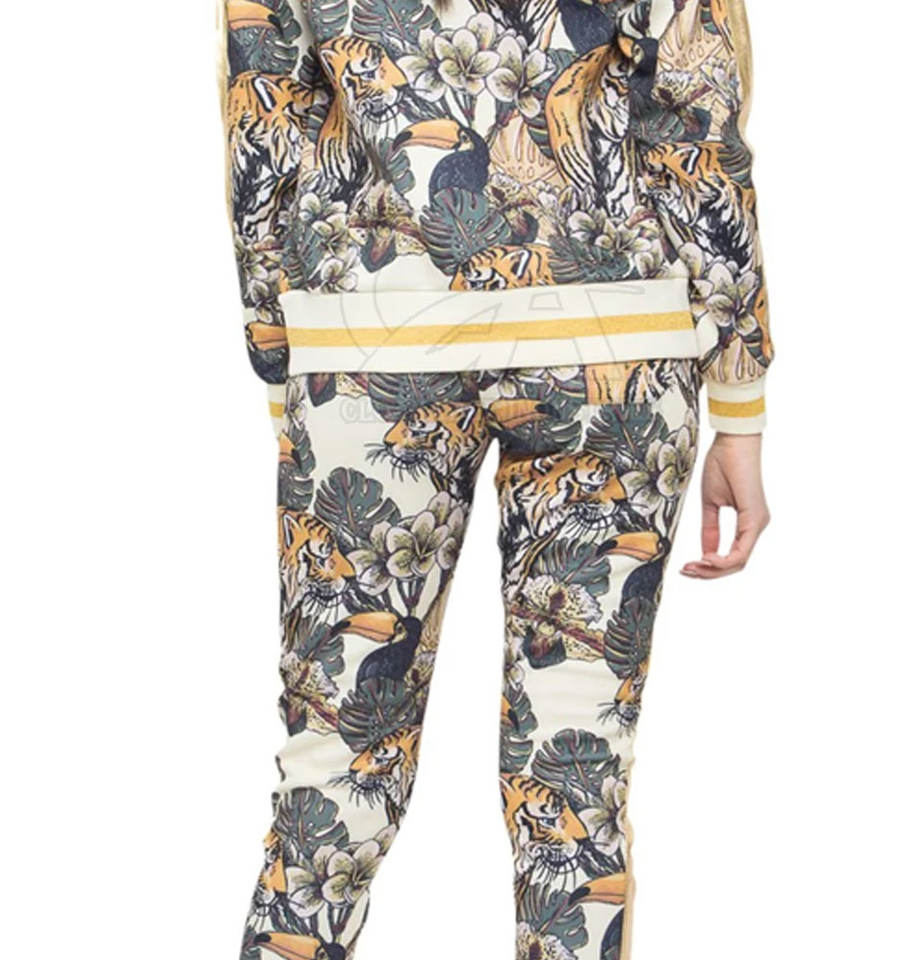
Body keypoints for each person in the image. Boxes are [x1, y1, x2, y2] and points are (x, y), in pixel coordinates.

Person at [217, 0, 771, 956]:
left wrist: (285, 363)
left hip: (369, 349)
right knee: (574, 775)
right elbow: (695, 107)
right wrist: (740, 390)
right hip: (612, 350)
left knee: (334, 764)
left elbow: (264, 121)